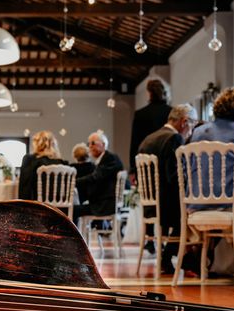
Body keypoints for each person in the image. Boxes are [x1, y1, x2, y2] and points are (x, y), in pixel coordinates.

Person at [138, 104, 198, 274]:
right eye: (192, 125)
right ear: (184, 122)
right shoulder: (174, 138)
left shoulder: (148, 139)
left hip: (151, 204)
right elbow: (175, 177)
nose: (191, 131)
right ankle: (173, 257)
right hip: (166, 205)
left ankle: (182, 259)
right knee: (190, 214)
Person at [73, 131, 124, 224]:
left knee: (71, 210)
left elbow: (96, 177)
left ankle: (72, 237)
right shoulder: (105, 159)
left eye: (93, 143)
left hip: (105, 205)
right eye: (89, 144)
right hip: (104, 203)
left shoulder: (110, 158)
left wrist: (73, 182)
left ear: (103, 144)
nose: (90, 147)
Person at [129, 79, 172, 180]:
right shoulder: (171, 112)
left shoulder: (140, 114)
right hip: (168, 162)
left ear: (149, 93)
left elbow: (135, 143)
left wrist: (133, 168)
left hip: (146, 162)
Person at [18, 131, 67, 200]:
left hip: (38, 206)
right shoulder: (61, 163)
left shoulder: (30, 159)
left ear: (37, 143)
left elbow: (24, 186)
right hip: (60, 206)